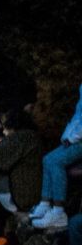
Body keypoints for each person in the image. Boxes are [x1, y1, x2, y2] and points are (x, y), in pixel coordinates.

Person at [29, 84, 82, 230]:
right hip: (75, 137)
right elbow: (78, 114)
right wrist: (68, 135)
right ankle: (45, 203)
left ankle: (59, 211)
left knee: (56, 162)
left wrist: (72, 137)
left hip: (79, 140)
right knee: (47, 159)